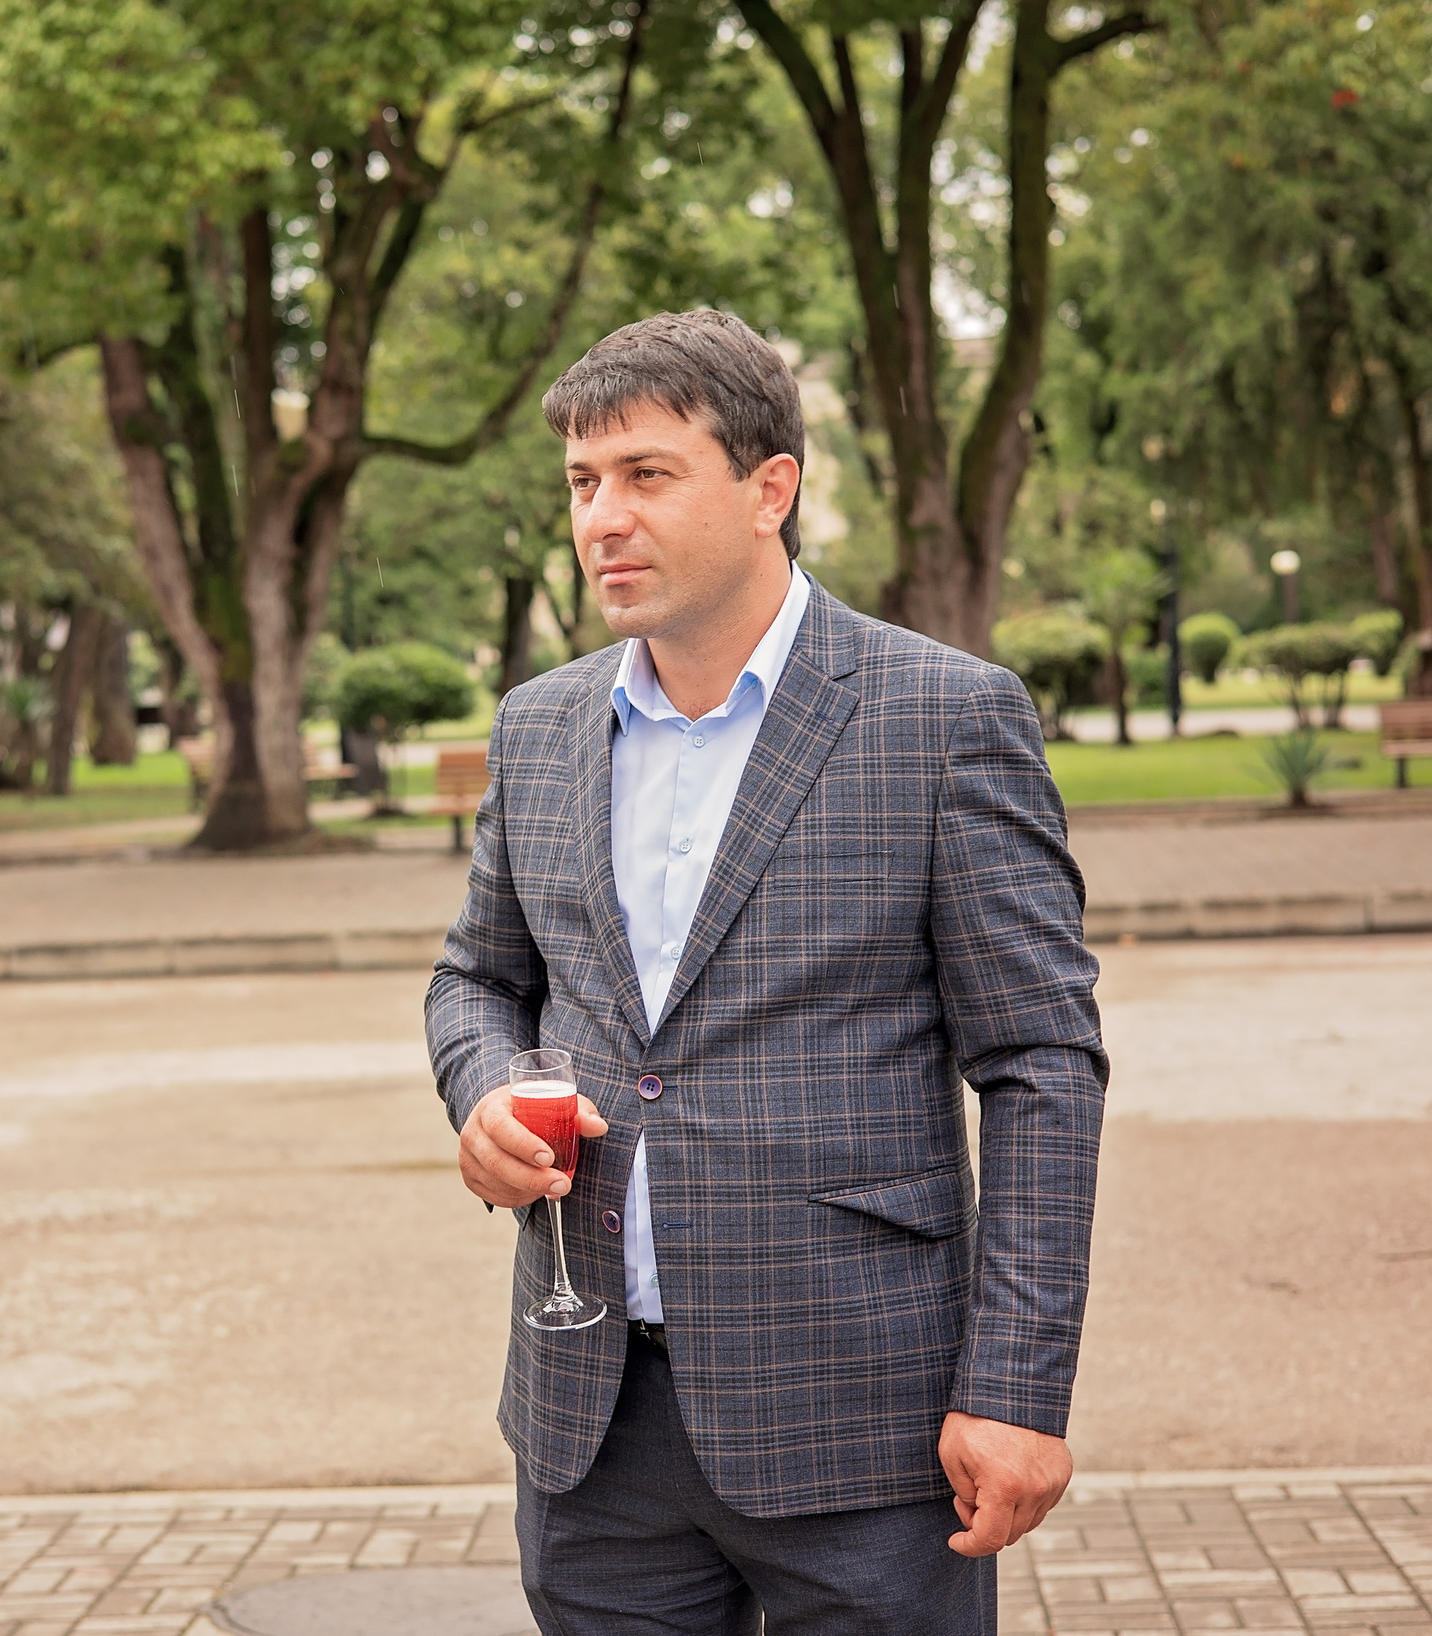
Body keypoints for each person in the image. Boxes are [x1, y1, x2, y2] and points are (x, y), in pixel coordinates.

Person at [425, 310, 1106, 1636]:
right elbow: (474, 973)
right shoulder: (542, 722)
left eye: (646, 474)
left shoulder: (943, 716)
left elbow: (1040, 1063)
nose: (602, 517)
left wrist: (1019, 1385)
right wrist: (490, 1089)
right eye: (582, 482)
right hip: (594, 1428)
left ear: (768, 489)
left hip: (868, 1427)